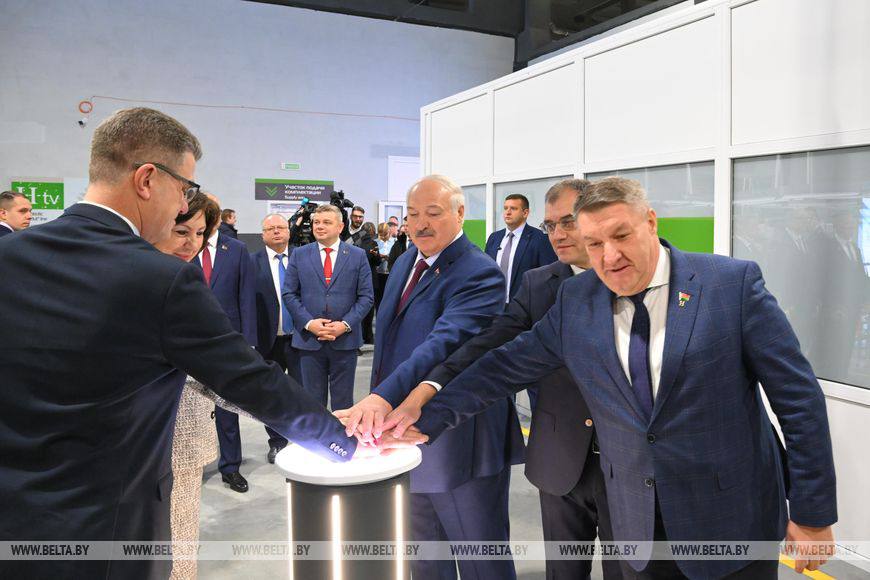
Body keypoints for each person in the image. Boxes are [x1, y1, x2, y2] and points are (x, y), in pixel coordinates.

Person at [0, 107, 423, 580]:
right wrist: (341, 440)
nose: (182, 206)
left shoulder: (10, 255)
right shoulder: (160, 278)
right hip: (107, 534)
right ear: (146, 180)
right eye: (185, 189)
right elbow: (247, 379)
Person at [393, 177, 838, 579]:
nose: (609, 256)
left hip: (729, 521)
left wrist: (813, 513)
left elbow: (798, 399)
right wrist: (423, 418)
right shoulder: (577, 298)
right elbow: (504, 367)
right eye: (593, 243)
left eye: (621, 235)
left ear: (650, 222)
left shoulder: (730, 285)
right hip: (635, 524)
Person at [401, 178, 619, 580]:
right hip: (562, 460)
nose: (558, 234)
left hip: (627, 464)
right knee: (564, 571)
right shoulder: (540, 285)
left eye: (568, 222)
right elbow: (492, 351)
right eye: (550, 225)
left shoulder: (642, 286)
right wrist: (428, 392)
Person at [338, 175, 523, 580]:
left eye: (433, 213)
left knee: (481, 560)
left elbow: (441, 345)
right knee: (423, 557)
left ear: (460, 213)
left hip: (461, 443)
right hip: (402, 436)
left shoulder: (479, 273)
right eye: (413, 214)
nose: (420, 224)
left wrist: (380, 398)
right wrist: (380, 406)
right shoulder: (407, 261)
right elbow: (389, 344)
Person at [152, 192, 221, 580]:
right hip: (151, 442)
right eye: (182, 231)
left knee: (181, 546)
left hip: (185, 440)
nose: (191, 243)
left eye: (199, 233)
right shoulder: (149, 281)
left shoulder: (185, 278)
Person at [283, 204, 374, 411]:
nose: (319, 226)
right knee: (313, 404)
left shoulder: (357, 255)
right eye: (316, 222)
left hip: (345, 340)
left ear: (340, 227)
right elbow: (289, 293)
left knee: (343, 403)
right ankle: (317, 435)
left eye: (326, 222)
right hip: (309, 340)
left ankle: (341, 434)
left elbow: (366, 297)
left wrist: (345, 324)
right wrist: (309, 323)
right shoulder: (299, 254)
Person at [196, 197, 257, 493]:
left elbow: (246, 297)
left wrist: (248, 343)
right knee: (187, 408)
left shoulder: (236, 249)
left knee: (227, 407)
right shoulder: (181, 244)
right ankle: (189, 464)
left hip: (227, 341)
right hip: (187, 340)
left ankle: (230, 466)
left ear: (219, 218)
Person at [251, 213, 304, 463]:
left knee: (303, 393)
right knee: (271, 396)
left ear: (289, 231)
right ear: (262, 235)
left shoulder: (303, 259)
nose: (276, 231)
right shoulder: (251, 262)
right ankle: (277, 442)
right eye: (270, 228)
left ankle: (305, 441)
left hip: (300, 339)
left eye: (280, 227)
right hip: (268, 341)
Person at [485, 193, 557, 304]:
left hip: (524, 306)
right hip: (493, 304)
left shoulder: (540, 238)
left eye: (513, 208)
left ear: (525, 213)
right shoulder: (494, 238)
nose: (508, 212)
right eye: (505, 208)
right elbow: (486, 271)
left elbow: (548, 277)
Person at [374, 222, 395, 311]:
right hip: (378, 273)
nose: (383, 237)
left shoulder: (395, 242)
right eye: (381, 235)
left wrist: (390, 256)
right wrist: (379, 256)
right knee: (378, 298)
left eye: (385, 234)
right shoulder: (375, 242)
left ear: (389, 231)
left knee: (389, 297)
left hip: (391, 273)